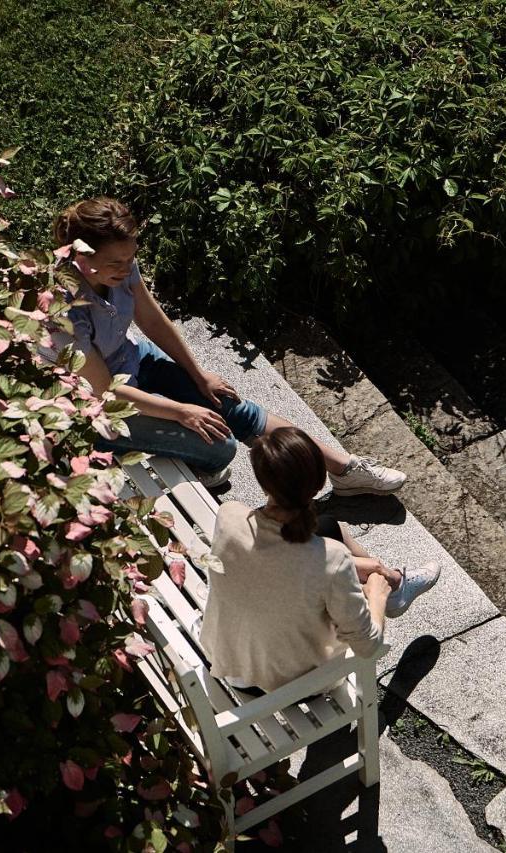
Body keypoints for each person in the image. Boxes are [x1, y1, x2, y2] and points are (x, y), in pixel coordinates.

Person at [50, 197, 405, 494]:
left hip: (130, 360)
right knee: (220, 447)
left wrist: (199, 375)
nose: (128, 269)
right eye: (116, 263)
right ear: (81, 258)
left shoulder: (120, 266)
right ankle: (194, 464)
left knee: (231, 407)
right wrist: (181, 411)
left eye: (131, 259)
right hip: (93, 409)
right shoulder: (64, 305)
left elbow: (153, 320)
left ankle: (342, 469)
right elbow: (103, 393)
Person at [200, 427, 441, 693]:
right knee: (353, 580)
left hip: (224, 655)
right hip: (284, 685)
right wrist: (376, 594)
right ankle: (392, 589)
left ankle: (392, 582)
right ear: (318, 484)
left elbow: (276, 560)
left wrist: (349, 567)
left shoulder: (229, 514)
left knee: (327, 526)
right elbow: (369, 646)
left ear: (262, 480)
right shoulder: (332, 560)